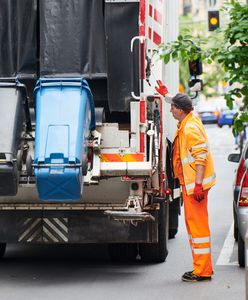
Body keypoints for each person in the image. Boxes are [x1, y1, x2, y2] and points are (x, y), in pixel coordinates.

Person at [166, 93, 216, 282]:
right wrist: (166, 96)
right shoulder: (189, 119)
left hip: (196, 187)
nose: (170, 110)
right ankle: (202, 268)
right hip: (193, 185)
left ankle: (202, 271)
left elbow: (200, 157)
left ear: (180, 110)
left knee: (198, 227)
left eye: (172, 107)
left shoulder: (190, 128)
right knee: (194, 225)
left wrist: (197, 185)